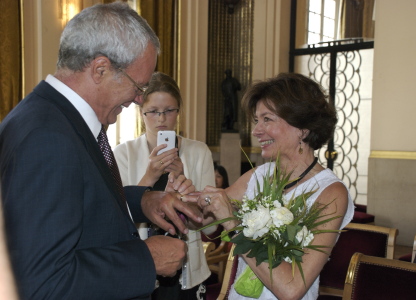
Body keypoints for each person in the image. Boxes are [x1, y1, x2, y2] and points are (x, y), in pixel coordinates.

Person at [0, 3, 202, 299]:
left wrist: (142, 201)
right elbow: (42, 283)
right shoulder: (47, 137)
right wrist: (147, 259)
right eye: (137, 86)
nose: (137, 100)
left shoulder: (56, 118)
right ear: (100, 69)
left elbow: (78, 202)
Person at [186, 73, 354, 300]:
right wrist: (182, 195)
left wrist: (233, 225)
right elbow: (202, 219)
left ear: (302, 127)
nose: (256, 131)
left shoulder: (331, 193)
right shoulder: (259, 175)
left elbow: (292, 288)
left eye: (267, 119)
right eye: (257, 120)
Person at [114, 72, 215, 299]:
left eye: (169, 111)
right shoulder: (123, 154)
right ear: (142, 113)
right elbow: (117, 219)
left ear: (179, 111)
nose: (161, 119)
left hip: (186, 267)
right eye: (153, 112)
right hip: (142, 265)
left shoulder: (199, 152)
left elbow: (209, 227)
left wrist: (183, 182)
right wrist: (150, 176)